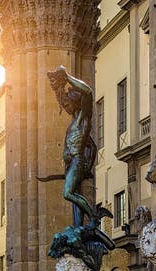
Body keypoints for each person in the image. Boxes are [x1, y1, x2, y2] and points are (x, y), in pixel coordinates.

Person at [48, 65, 98, 227]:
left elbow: (88, 92)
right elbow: (93, 147)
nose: (66, 107)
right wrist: (59, 85)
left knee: (67, 193)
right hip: (71, 163)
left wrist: (67, 76)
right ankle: (78, 226)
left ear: (77, 103)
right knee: (75, 196)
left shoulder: (84, 118)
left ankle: (93, 217)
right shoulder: (73, 122)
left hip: (77, 161)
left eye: (69, 104)